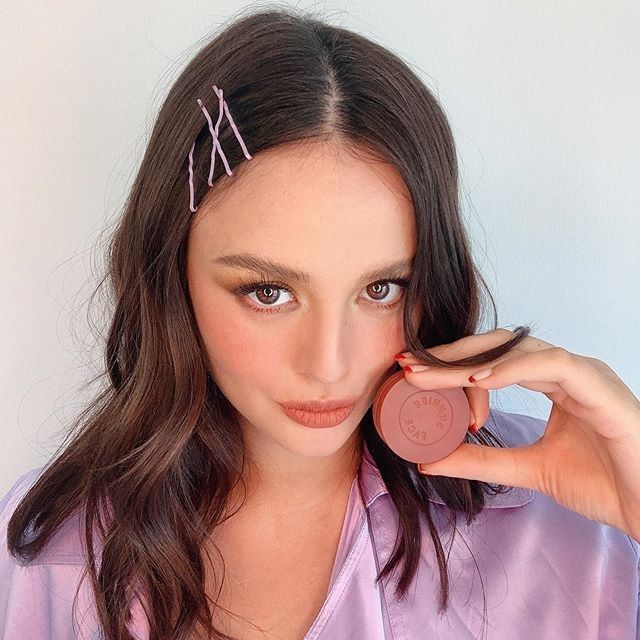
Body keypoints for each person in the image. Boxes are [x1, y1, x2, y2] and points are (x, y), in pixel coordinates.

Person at [2, 6, 639, 640]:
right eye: (269, 291)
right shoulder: (52, 546)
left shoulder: (567, 513)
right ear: (173, 273)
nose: (328, 364)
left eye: (382, 289)